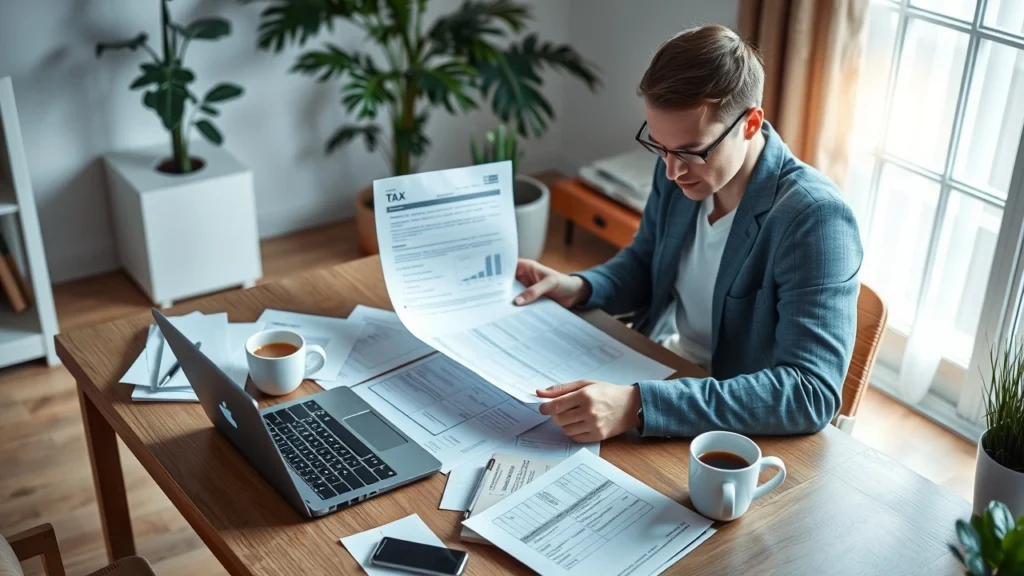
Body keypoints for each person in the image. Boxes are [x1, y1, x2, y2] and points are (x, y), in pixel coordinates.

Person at [514, 24, 863, 443]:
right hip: (669, 367)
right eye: (659, 146)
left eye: (691, 151)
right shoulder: (679, 170)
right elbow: (647, 262)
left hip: (739, 433)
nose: (671, 171)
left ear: (751, 124)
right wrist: (579, 286)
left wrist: (639, 404)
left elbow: (809, 393)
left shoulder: (816, 219)